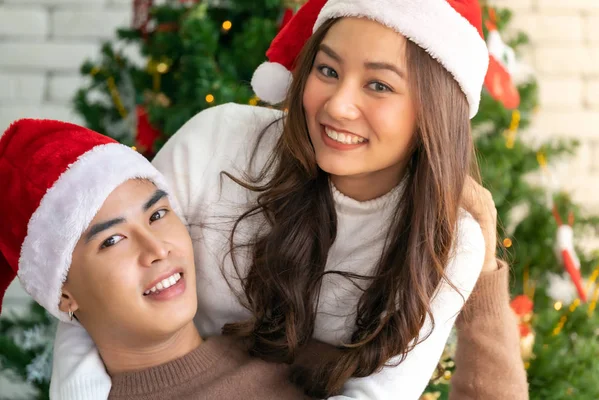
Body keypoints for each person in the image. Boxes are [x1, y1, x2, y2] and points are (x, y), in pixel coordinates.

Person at [50, 0, 528, 398]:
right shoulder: (217, 143)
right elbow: (89, 280)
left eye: (378, 85)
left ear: (434, 111)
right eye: (327, 69)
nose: (337, 105)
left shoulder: (447, 241)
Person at [0, 120, 310, 400]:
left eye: (157, 214)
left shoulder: (294, 354)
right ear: (64, 294)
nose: (157, 249)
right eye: (112, 240)